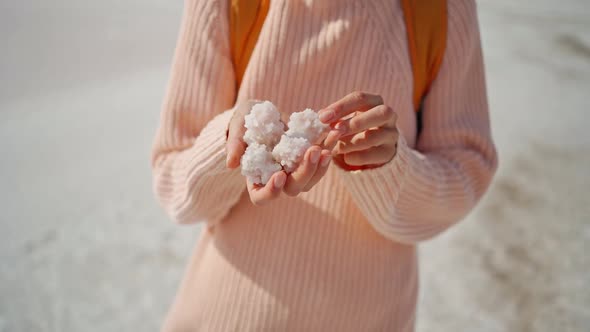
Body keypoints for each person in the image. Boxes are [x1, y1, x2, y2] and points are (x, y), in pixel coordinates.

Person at [151, 0, 498, 330]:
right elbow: (171, 179)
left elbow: (467, 170)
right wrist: (229, 145)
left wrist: (390, 169)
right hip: (224, 317)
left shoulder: (441, 10)